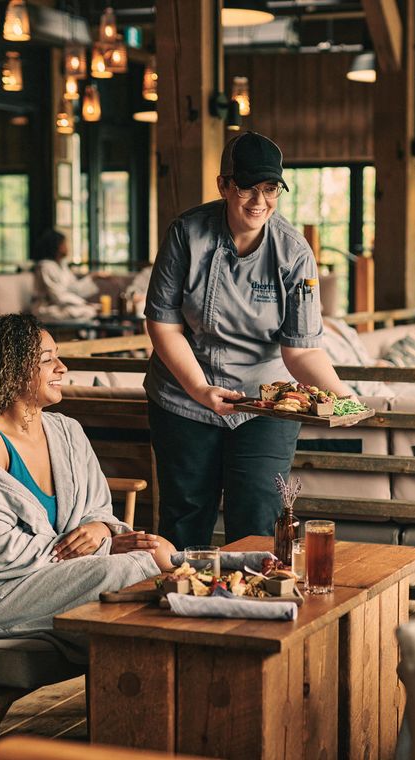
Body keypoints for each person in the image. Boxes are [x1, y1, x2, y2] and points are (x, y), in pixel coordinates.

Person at [145, 131, 355, 549]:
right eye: (246, 187)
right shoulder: (186, 234)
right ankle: (182, 609)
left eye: (270, 188)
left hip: (264, 405)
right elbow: (163, 326)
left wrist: (345, 399)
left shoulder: (294, 252)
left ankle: (252, 608)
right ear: (224, 185)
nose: (259, 201)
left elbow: (303, 349)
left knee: (258, 517)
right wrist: (200, 389)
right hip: (185, 397)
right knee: (184, 516)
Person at [0, 313, 175, 661]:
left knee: (157, 552)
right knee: (134, 567)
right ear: (11, 371)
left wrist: (99, 528)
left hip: (50, 575)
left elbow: (98, 507)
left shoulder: (66, 432)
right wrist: (100, 549)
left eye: (57, 356)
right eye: (47, 360)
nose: (62, 367)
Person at [31, 229, 109, 321]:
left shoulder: (62, 265)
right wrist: (83, 303)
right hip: (46, 309)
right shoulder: (46, 267)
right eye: (64, 244)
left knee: (93, 309)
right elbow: (58, 296)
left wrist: (93, 276)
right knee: (88, 311)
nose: (67, 247)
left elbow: (74, 288)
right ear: (56, 246)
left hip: (60, 306)